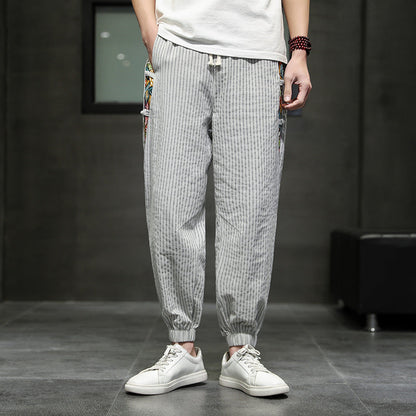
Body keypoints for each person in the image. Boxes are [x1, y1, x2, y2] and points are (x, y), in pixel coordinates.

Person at [126, 0, 312, 397]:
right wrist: (151, 34)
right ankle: (182, 346)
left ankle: (241, 348)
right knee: (170, 201)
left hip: (258, 55)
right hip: (177, 49)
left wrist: (299, 48)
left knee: (250, 206)